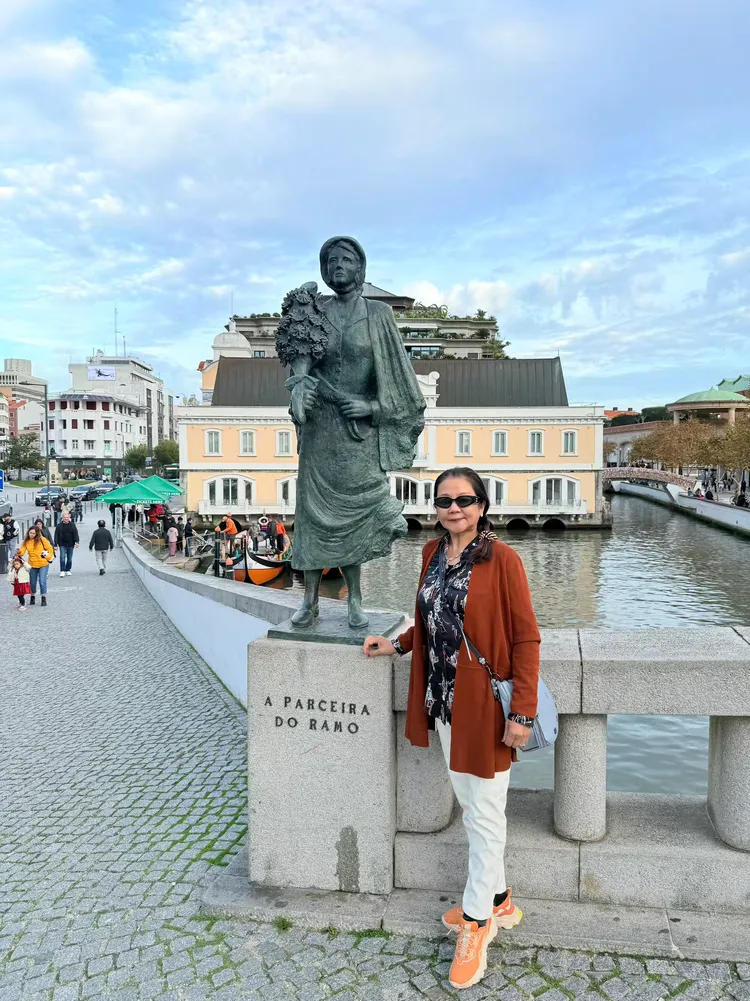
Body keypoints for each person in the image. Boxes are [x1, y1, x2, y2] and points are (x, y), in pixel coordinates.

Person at [364, 468, 540, 992]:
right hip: (443, 702)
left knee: (483, 813)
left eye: (464, 499)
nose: (453, 508)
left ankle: (477, 922)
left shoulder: (502, 560)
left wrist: (522, 713)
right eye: (444, 500)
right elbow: (434, 619)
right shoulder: (432, 554)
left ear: (482, 505)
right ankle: (500, 900)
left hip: (485, 709)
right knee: (475, 806)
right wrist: (398, 644)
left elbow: (527, 639)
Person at [283, 236, 425, 629]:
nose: (338, 266)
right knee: (312, 517)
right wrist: (299, 387)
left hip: (359, 434)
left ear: (360, 268)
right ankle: (309, 600)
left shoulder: (379, 314)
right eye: (330, 261)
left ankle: (355, 600)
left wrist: (372, 407)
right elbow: (300, 364)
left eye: (346, 259)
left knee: (356, 520)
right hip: (321, 430)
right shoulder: (314, 312)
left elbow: (401, 386)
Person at [18, 526, 55, 606]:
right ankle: (33, 596)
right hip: (32, 564)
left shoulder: (42, 539)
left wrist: (48, 556)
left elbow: (50, 548)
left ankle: (43, 597)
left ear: (37, 534)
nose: (31, 534)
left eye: (33, 533)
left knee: (42, 581)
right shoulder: (26, 541)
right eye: (30, 533)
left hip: (43, 563)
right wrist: (19, 551)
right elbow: (22, 551)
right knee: (32, 583)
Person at [54, 512, 80, 576]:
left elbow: (75, 534)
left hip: (71, 544)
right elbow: (56, 535)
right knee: (62, 557)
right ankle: (62, 570)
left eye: (67, 517)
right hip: (62, 544)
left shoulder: (72, 525)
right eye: (65, 517)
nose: (66, 519)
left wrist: (77, 542)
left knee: (69, 558)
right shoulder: (59, 526)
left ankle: (68, 569)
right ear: (62, 518)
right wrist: (55, 544)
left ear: (69, 517)